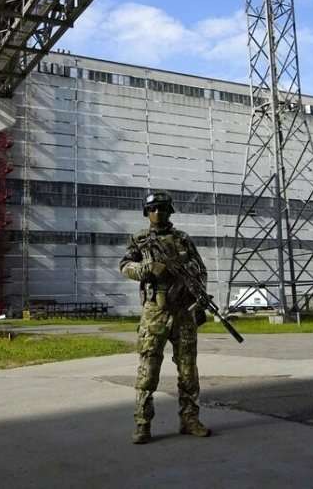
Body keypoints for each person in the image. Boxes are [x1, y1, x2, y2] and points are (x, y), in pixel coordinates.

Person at [119, 190, 211, 445]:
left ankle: (190, 419)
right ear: (146, 212)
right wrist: (147, 269)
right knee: (148, 371)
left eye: (162, 208)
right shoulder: (139, 239)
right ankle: (142, 423)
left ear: (170, 211)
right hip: (155, 313)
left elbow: (200, 270)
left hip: (183, 311)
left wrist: (194, 289)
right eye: (152, 209)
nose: (157, 213)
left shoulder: (182, 239)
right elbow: (125, 266)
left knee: (188, 371)